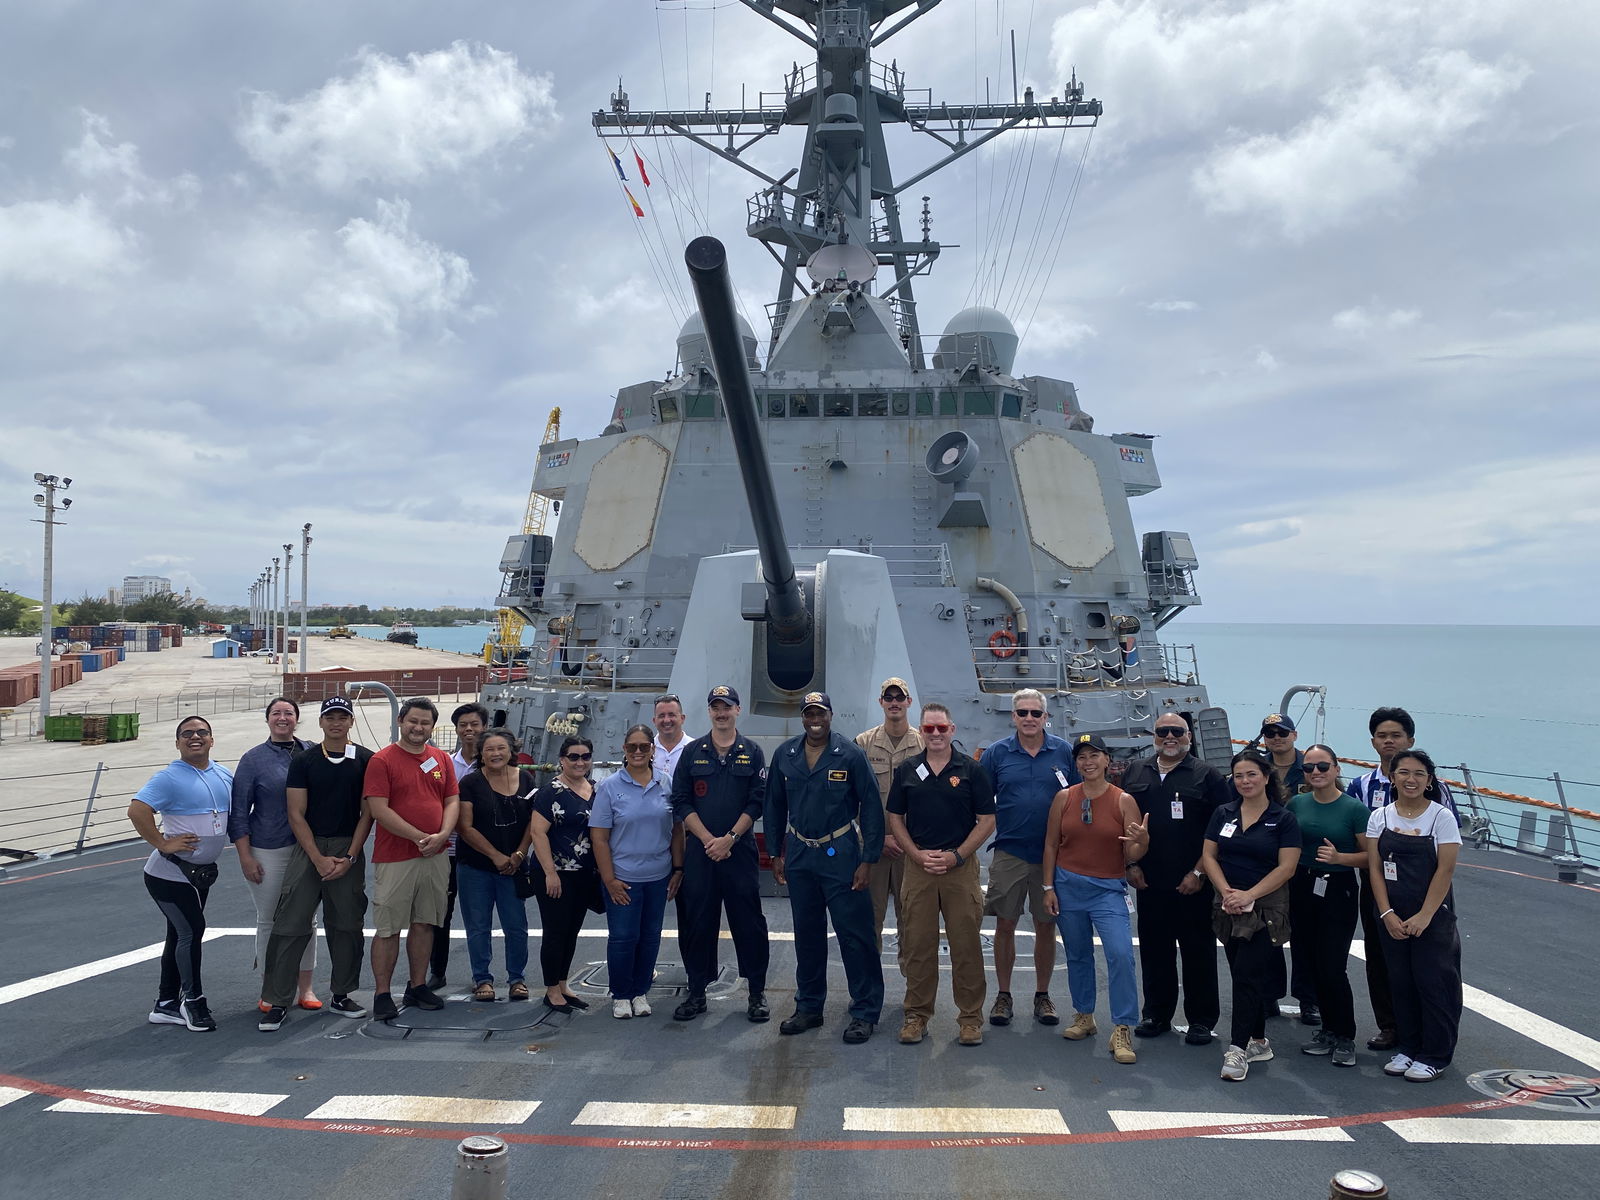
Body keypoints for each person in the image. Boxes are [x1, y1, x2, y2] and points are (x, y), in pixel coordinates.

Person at [765, 691, 885, 1044]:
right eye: (809, 714)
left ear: (830, 715)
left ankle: (865, 1011)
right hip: (800, 854)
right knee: (807, 934)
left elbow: (871, 806)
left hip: (841, 853)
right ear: (803, 717)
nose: (814, 719)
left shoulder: (849, 754)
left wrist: (868, 860)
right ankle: (809, 1007)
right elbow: (773, 806)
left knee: (855, 935)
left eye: (820, 713)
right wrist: (775, 853)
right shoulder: (785, 755)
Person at [1345, 706, 1460, 1052]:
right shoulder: (1361, 787)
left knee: (1433, 969)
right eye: (1382, 735)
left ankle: (1432, 1042)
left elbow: (1447, 858)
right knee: (1384, 959)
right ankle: (1392, 1028)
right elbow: (1361, 844)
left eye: (1396, 735)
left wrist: (1427, 911)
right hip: (1379, 887)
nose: (1389, 741)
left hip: (1426, 891)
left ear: (1410, 740)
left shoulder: (1438, 801)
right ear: (1373, 742)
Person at [259, 696, 374, 1031]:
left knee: (347, 924)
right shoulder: (304, 760)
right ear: (321, 722)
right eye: (330, 717)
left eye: (342, 717)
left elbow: (368, 813)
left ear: (351, 721)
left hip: (348, 845)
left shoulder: (366, 760)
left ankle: (342, 993)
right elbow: (295, 813)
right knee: (290, 924)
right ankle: (278, 1000)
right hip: (309, 847)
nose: (336, 723)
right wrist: (317, 858)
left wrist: (351, 856)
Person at [886, 702, 995, 1046]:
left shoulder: (971, 770)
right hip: (918, 867)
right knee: (918, 944)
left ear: (952, 730)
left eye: (941, 728)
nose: (936, 734)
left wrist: (957, 856)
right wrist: (915, 854)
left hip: (959, 869)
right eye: (929, 728)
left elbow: (987, 820)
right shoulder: (907, 770)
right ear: (921, 731)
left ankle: (970, 1019)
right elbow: (895, 817)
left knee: (966, 945)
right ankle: (917, 1015)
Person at [1121, 713, 1229, 1044]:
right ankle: (1156, 1013)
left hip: (1193, 883)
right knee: (1155, 951)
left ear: (1189, 737)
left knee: (1198, 952)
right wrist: (1130, 864)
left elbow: (1221, 829)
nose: (1170, 736)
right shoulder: (1136, 771)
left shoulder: (1207, 775)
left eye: (1177, 731)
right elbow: (1123, 823)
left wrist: (1199, 871)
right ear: (1153, 735)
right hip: (1149, 881)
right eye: (1163, 731)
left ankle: (1201, 1020)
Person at [1042, 734, 1148, 1065]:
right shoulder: (1064, 797)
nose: (1088, 762)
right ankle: (1084, 1015)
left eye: (1094, 755)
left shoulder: (1123, 801)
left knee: (1120, 955)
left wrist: (1143, 841)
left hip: (1107, 890)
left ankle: (1123, 1026)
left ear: (1106, 760)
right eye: (1081, 757)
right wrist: (1048, 887)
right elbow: (1051, 844)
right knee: (1077, 954)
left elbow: (1132, 852)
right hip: (1068, 886)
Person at [669, 685, 772, 1023]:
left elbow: (757, 801)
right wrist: (708, 839)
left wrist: (729, 839)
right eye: (716, 707)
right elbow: (682, 800)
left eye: (727, 707)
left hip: (738, 852)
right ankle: (697, 991)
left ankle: (756, 993)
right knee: (698, 920)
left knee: (749, 921)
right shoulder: (693, 752)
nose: (721, 713)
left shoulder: (752, 752)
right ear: (710, 712)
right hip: (701, 853)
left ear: (737, 710)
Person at [128, 716, 233, 1032]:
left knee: (179, 934)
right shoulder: (169, 778)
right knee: (191, 931)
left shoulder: (224, 774)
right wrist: (162, 842)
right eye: (187, 733)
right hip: (169, 874)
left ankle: (165, 1004)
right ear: (177, 743)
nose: (195, 737)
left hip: (199, 875)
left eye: (202, 732)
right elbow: (137, 810)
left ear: (212, 740)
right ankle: (193, 1002)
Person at [979, 689, 1077, 1028]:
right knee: (1004, 924)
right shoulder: (997, 753)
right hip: (1010, 851)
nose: (1030, 718)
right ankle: (1003, 995)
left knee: (1045, 925)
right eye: (1023, 712)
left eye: (1036, 713)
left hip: (1052, 855)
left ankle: (1042, 995)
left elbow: (1080, 796)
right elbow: (980, 797)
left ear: (1045, 717)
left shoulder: (1063, 752)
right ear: (1013, 716)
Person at [1203, 749, 1301, 1081]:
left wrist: (1249, 895)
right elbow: (1209, 856)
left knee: (1247, 974)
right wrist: (1227, 892)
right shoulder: (1224, 813)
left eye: (1252, 774)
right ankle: (1258, 1040)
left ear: (1266, 777)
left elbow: (1287, 867)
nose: (1245, 781)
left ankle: (1236, 1049)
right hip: (1228, 907)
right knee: (1242, 974)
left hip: (1266, 910)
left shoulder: (1283, 819)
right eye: (1239, 776)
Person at [1365, 749, 1462, 1082]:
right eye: (1404, 772)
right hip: (1392, 914)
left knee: (1434, 983)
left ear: (1429, 780)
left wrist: (1424, 916)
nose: (1411, 779)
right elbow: (1375, 869)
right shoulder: (1380, 817)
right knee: (1401, 982)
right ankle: (1408, 1047)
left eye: (1419, 774)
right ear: (1392, 778)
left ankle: (1434, 1055)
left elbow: (1445, 870)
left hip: (1431, 916)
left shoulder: (1440, 818)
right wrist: (1386, 913)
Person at [364, 697, 459, 1021]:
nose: (418, 728)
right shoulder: (382, 760)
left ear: (432, 727)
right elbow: (379, 810)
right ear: (401, 722)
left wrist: (443, 835)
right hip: (396, 857)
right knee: (388, 928)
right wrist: (420, 837)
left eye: (425, 723)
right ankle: (382, 993)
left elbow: (451, 800)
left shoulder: (441, 759)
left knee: (425, 923)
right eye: (413, 721)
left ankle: (417, 986)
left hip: (435, 855)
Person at [229, 697, 318, 1013]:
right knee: (269, 919)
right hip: (269, 848)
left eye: (289, 713)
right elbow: (239, 812)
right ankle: (270, 988)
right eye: (276, 713)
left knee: (307, 920)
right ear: (267, 719)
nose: (283, 718)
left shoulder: (312, 751)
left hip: (307, 849)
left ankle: (305, 988)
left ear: (297, 718)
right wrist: (245, 857)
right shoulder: (253, 760)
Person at [1286, 744, 1371, 1067]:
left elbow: (1371, 856)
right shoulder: (1297, 803)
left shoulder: (1353, 809)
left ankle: (1345, 1035)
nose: (1316, 773)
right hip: (1302, 885)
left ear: (1336, 769)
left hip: (1338, 887)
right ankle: (1328, 1030)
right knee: (1310, 962)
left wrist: (1340, 858)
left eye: (1323, 766)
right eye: (1309, 768)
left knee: (1332, 965)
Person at [592, 725, 683, 1020]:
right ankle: (621, 994)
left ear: (653, 749)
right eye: (632, 747)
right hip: (623, 877)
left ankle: (641, 991)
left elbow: (677, 830)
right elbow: (599, 837)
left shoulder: (666, 783)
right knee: (623, 937)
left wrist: (678, 868)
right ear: (624, 749)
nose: (638, 751)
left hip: (658, 876)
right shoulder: (610, 787)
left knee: (650, 936)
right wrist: (609, 879)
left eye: (644, 746)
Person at [456, 730, 536, 1002]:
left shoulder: (526, 779)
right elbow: (465, 827)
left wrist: (520, 853)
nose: (495, 754)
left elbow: (532, 821)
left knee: (516, 926)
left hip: (514, 867)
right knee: (478, 926)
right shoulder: (470, 783)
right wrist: (495, 856)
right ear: (481, 753)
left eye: (501, 748)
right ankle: (482, 979)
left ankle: (517, 978)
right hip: (475, 866)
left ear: (511, 751)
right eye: (489, 749)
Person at [853, 678, 922, 972]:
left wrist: (905, 840)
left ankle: (914, 987)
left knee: (913, 920)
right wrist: (877, 838)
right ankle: (869, 987)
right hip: (874, 850)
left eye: (900, 697)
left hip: (912, 850)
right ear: (881, 702)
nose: (894, 702)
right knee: (869, 919)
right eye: (889, 697)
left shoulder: (923, 744)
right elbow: (852, 797)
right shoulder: (863, 744)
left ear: (908, 702)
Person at [529, 735, 601, 1013]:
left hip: (583, 873)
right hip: (555, 873)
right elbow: (538, 833)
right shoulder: (551, 792)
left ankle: (562, 984)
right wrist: (550, 873)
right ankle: (551, 990)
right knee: (555, 931)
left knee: (572, 931)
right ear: (562, 760)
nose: (580, 762)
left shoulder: (594, 789)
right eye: (573, 757)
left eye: (585, 756)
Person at [1256, 712, 1317, 1026]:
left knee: (1306, 932)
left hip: (1306, 861)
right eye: (1270, 734)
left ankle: (1309, 999)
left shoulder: (1311, 767)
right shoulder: (1258, 767)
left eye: (1282, 732)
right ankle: (1269, 995)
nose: (1277, 738)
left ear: (1294, 735)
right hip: (1266, 862)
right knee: (1268, 930)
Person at [428, 702, 487, 990]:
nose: (469, 729)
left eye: (474, 724)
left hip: (482, 851)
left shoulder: (495, 762)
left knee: (479, 916)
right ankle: (437, 971)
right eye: (463, 725)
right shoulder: (445, 763)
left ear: (485, 727)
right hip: (449, 851)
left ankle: (483, 976)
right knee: (441, 914)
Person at [652, 693, 691, 781]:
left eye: (671, 715)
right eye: (661, 716)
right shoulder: (646, 750)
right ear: (654, 721)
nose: (666, 720)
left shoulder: (695, 749)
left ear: (682, 718)